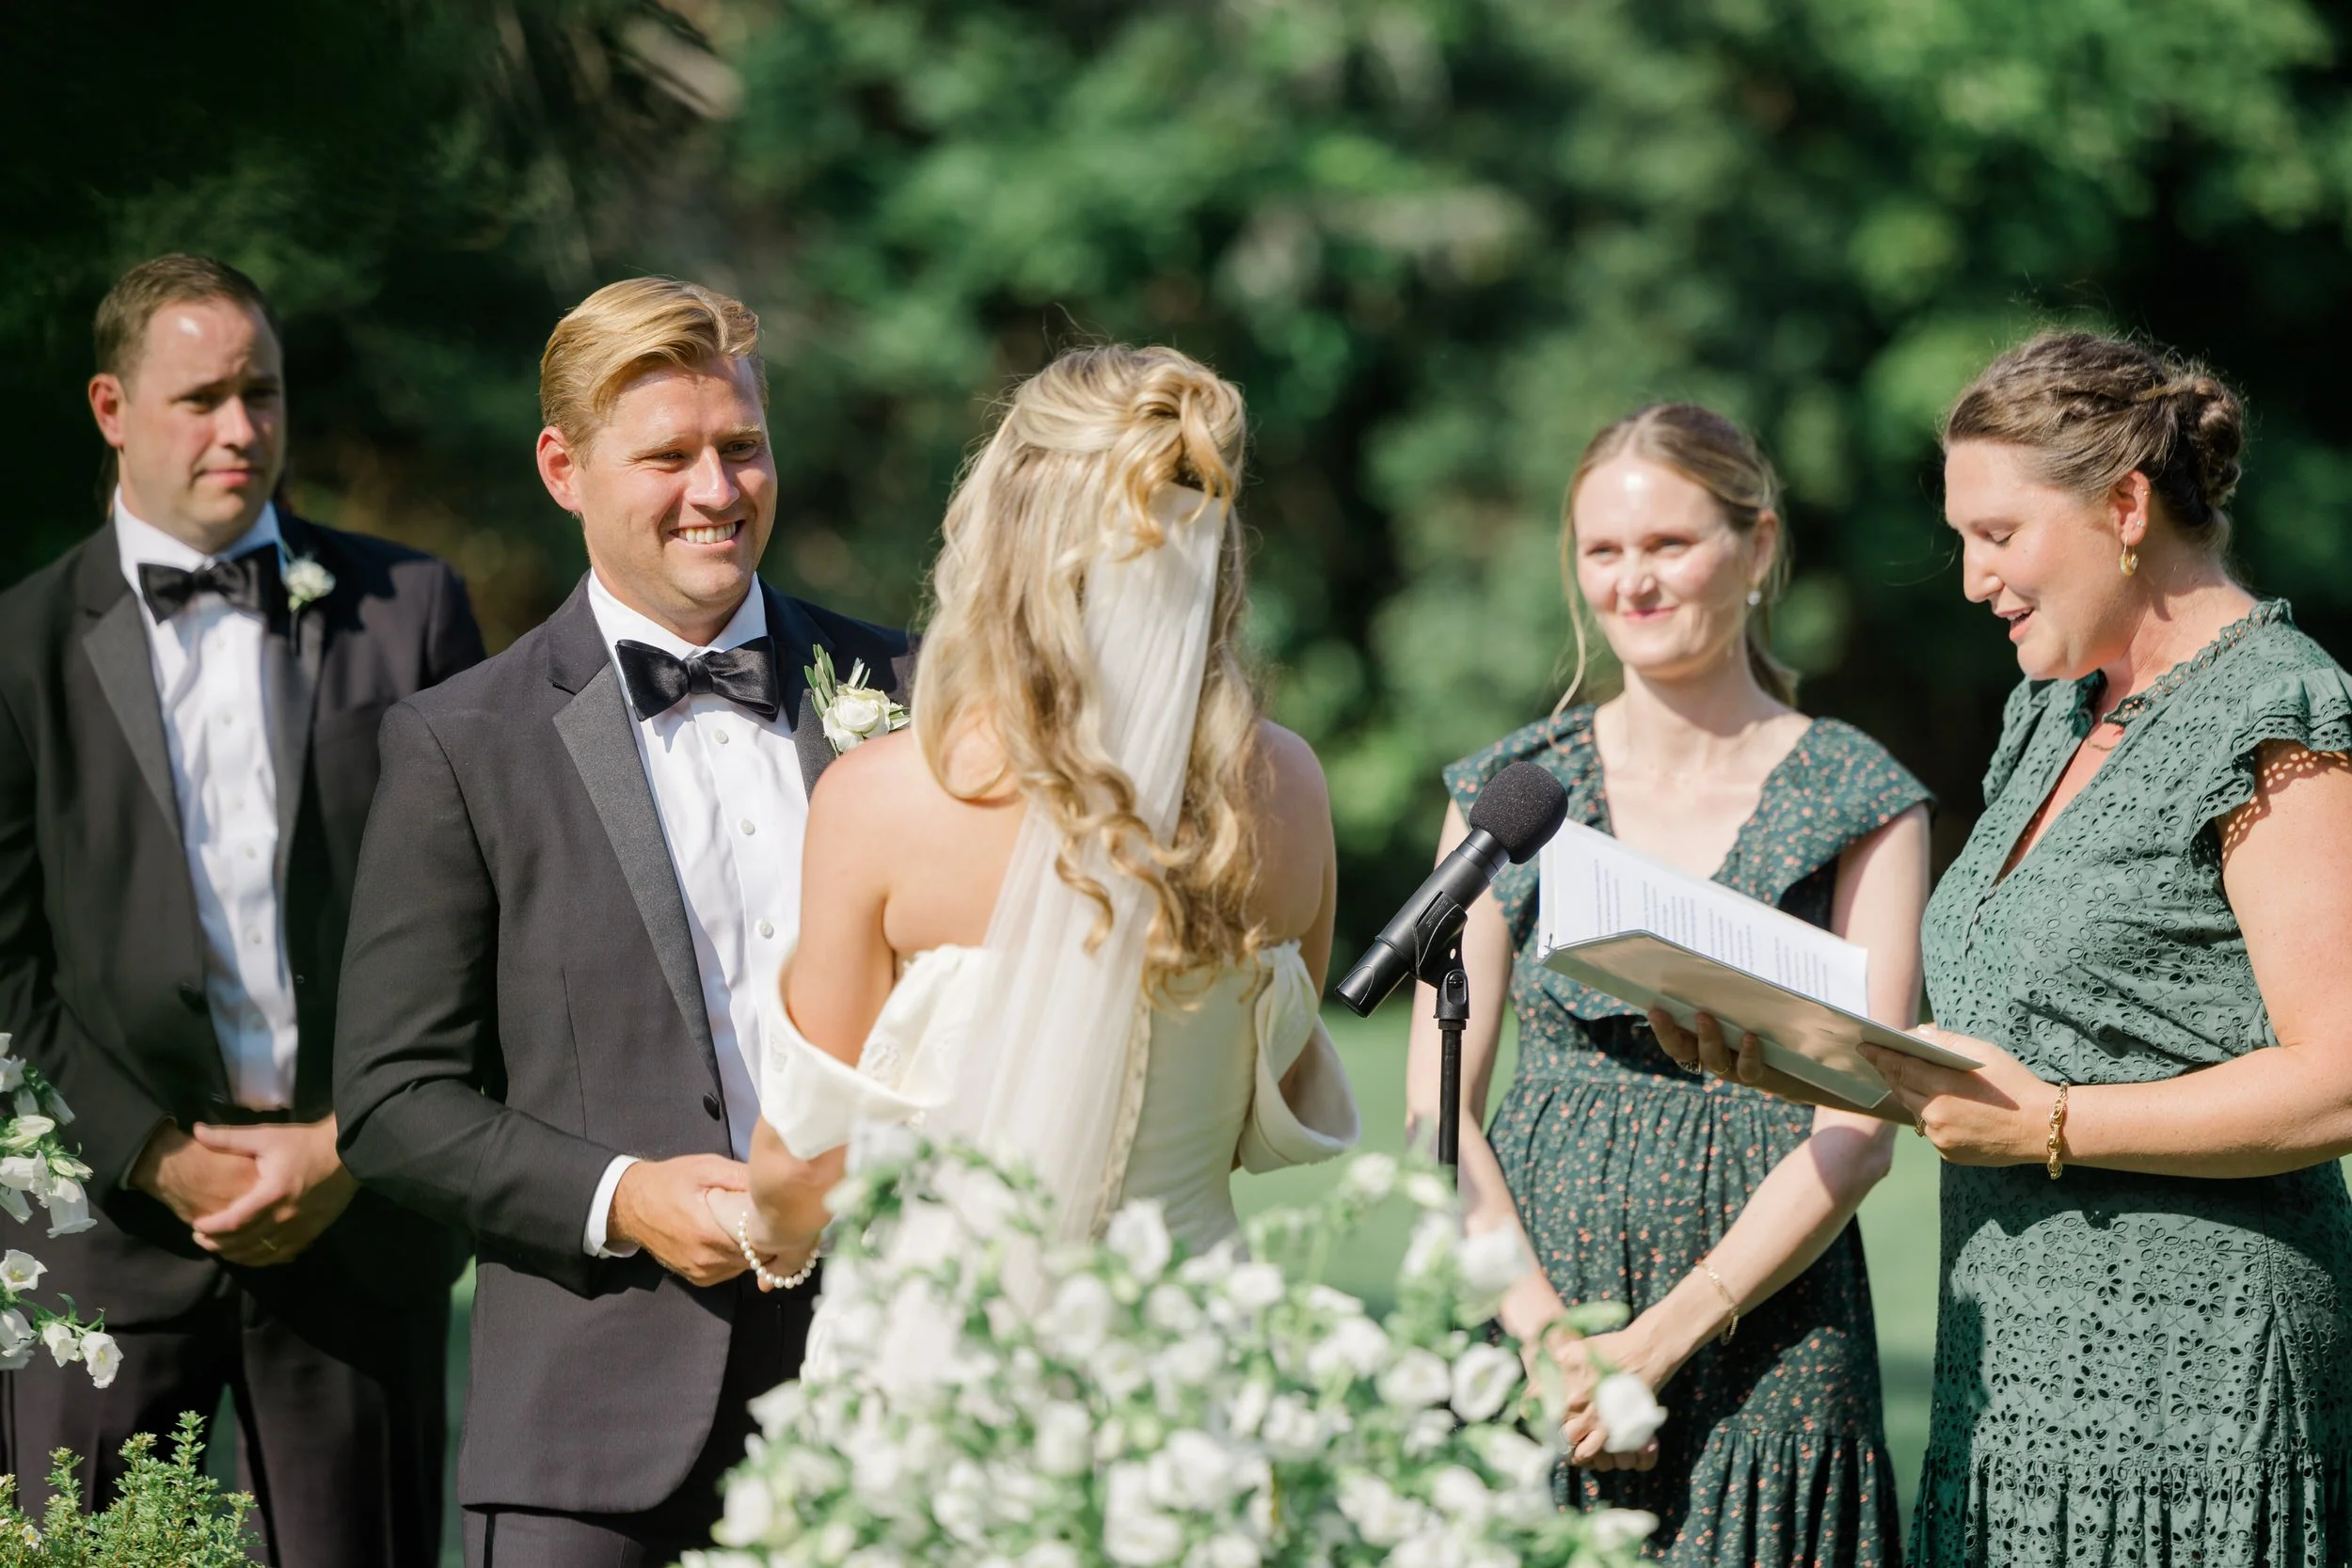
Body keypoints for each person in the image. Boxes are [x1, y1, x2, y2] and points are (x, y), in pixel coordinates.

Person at [331, 277, 910, 1567]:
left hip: (898, 1405)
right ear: (563, 466)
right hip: (591, 1442)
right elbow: (390, 1098)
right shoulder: (459, 741)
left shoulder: (917, 691)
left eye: (742, 446)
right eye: (669, 455)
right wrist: (624, 1192)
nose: (717, 488)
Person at [1837, 332, 2352, 1565]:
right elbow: (2021, 1040)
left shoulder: (2276, 712)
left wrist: (2059, 1124)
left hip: (2203, 1392)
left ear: (2125, 505)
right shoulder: (2050, 711)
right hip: (2008, 1384)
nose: (1973, 579)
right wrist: (1793, 1051)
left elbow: (2341, 1071)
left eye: (1999, 534)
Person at [0, 254, 484, 1565]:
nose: (240, 429)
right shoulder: (18, 647)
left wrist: (349, 1140)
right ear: (111, 406)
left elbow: (473, 913)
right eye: (200, 397)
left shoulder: (414, 611)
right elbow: (2, 964)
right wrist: (154, 1151)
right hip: (102, 1238)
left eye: (260, 393)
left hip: (355, 1221)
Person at [724, 343, 1358, 1321]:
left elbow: (808, 1163)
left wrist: (770, 1227)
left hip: (957, 1350)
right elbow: (1261, 1099)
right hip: (1191, 1357)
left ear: (1002, 535)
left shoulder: (884, 799)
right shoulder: (1285, 789)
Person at [1415, 404, 1931, 1564]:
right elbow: (1434, 1105)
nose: (1632, 582)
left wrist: (1661, 1338)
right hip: (1534, 1318)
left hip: (1769, 1333)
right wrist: (1554, 1343)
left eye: (1667, 546)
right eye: (1603, 551)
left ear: (1755, 549)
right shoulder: (1512, 787)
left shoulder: (1863, 794)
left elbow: (1860, 1123)